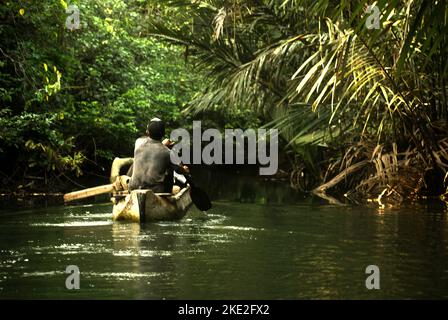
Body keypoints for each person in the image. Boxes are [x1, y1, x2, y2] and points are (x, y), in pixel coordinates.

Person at [129, 118, 188, 193]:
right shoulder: (167, 152)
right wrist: (185, 170)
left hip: (133, 188)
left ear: (147, 132)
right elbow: (179, 170)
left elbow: (152, 149)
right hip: (154, 190)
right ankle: (168, 196)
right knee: (170, 169)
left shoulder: (138, 145)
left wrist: (163, 145)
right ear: (163, 134)